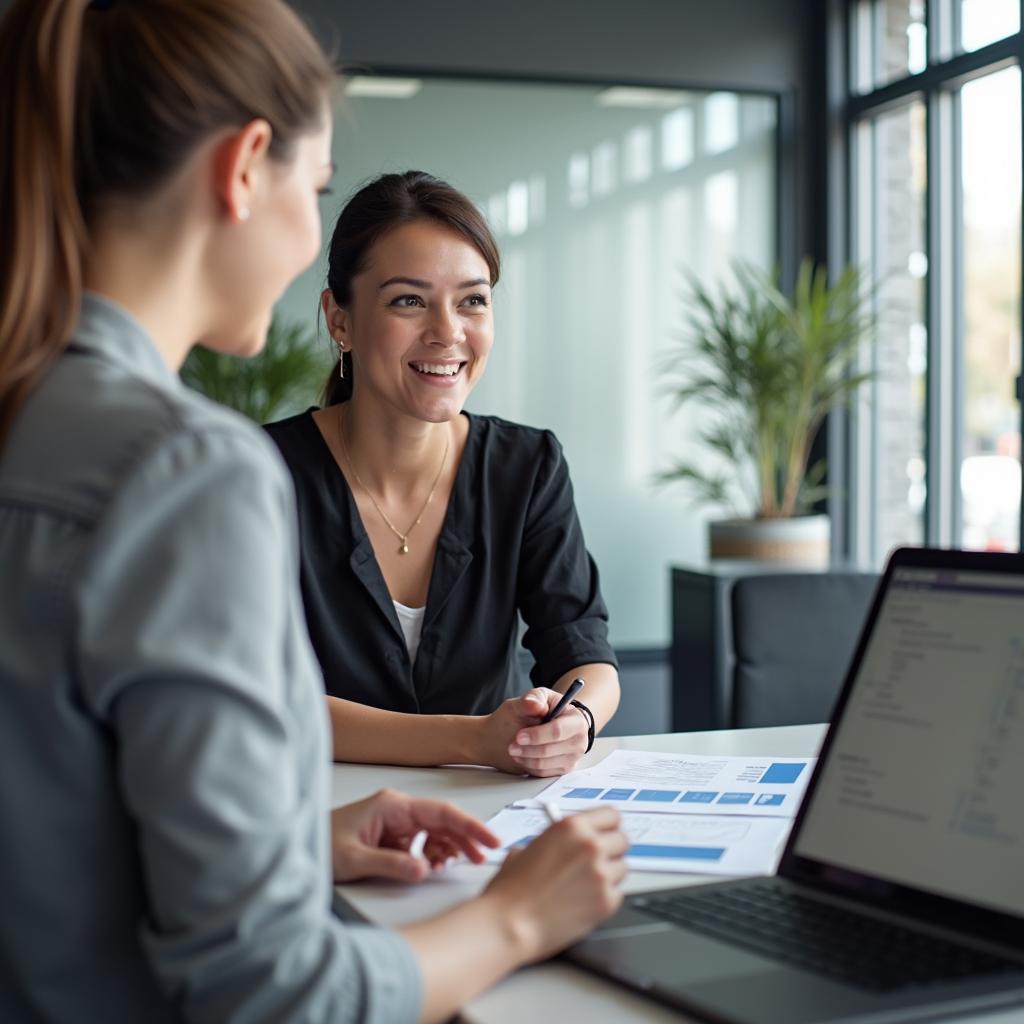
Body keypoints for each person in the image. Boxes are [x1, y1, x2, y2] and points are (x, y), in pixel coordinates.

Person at [0, 3, 628, 1023]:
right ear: (247, 166)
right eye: (317, 185)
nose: (447, 332)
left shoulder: (33, 416)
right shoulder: (191, 472)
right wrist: (518, 916)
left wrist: (307, 838)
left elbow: (59, 827)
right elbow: (275, 990)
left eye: (472, 299)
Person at [265, 171, 621, 778]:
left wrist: (574, 720)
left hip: (488, 820)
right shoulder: (259, 473)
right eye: (409, 300)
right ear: (340, 319)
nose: (448, 332)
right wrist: (475, 741)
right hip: (312, 821)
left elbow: (583, 649)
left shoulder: (527, 466)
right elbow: (268, 696)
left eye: (472, 300)